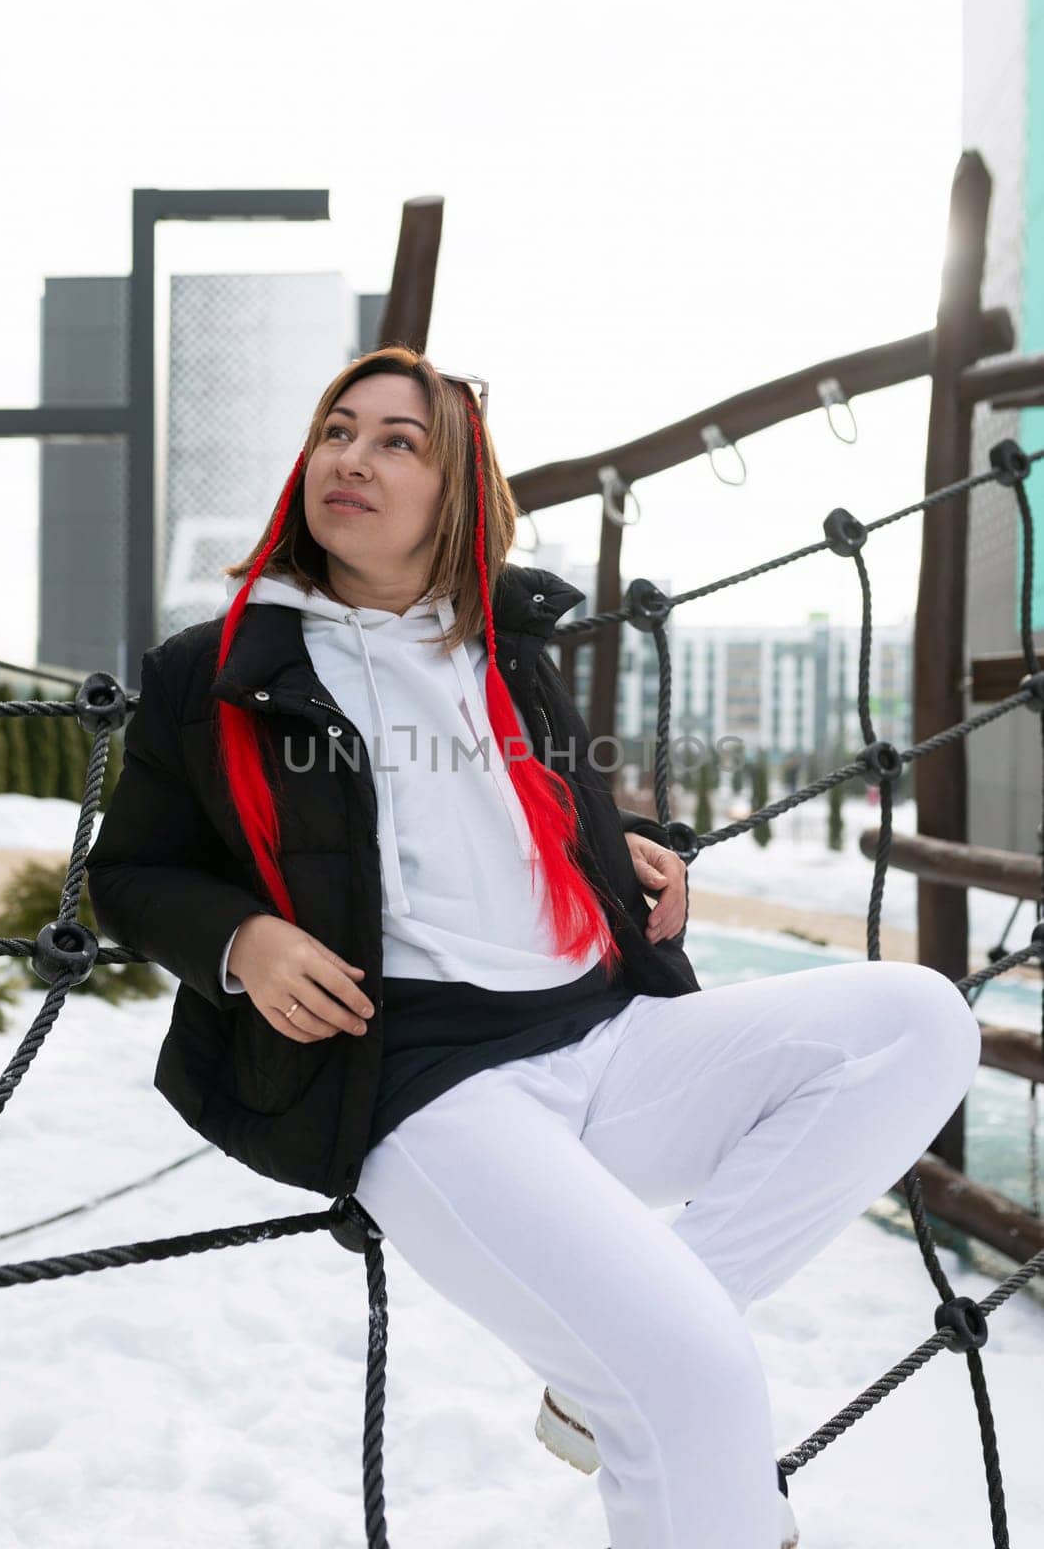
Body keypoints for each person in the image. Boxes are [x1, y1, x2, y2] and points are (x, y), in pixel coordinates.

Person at [84, 347, 982, 1549]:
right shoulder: (219, 669)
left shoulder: (501, 638)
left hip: (603, 1030)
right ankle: (645, 1359)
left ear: (457, 490)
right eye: (337, 430)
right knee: (694, 1378)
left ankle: (601, 1369)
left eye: (398, 440)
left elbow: (505, 809)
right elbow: (129, 874)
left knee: (921, 1022)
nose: (350, 456)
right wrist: (240, 939)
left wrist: (624, 846)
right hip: (423, 1081)